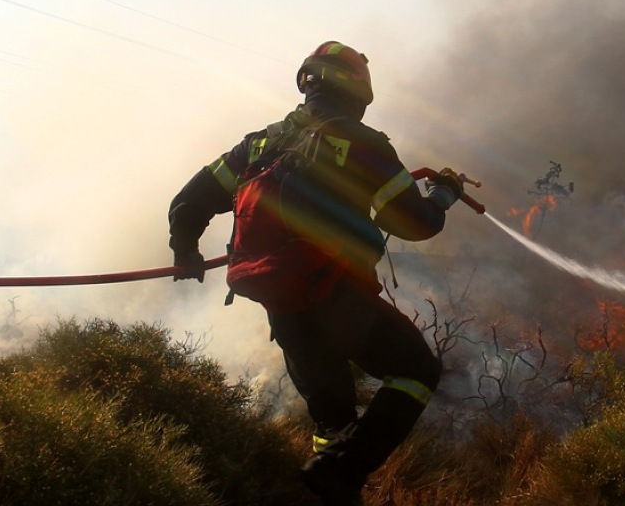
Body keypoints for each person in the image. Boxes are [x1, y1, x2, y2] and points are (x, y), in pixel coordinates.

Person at [168, 41, 463, 505]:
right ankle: (341, 472)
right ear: (360, 93)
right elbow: (414, 224)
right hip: (336, 295)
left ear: (308, 82)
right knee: (416, 371)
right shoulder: (364, 144)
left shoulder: (260, 143)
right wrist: (444, 195)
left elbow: (189, 201)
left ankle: (334, 480)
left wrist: (184, 249)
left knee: (332, 421)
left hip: (281, 303)